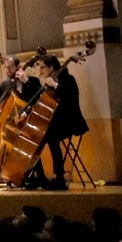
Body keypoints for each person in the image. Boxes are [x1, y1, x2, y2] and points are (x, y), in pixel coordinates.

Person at [25, 52, 88, 190]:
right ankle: (39, 176)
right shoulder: (48, 81)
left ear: (52, 67)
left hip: (70, 121)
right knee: (34, 138)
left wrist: (55, 85)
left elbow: (71, 95)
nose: (40, 71)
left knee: (51, 137)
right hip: (55, 122)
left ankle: (60, 178)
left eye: (43, 67)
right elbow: (41, 100)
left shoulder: (67, 79)